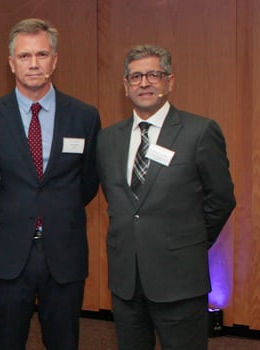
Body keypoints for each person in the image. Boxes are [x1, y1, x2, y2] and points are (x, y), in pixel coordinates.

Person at [97, 44, 236, 350]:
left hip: (180, 280)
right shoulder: (107, 139)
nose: (144, 83)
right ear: (125, 86)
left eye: (153, 75)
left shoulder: (199, 132)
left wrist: (189, 241)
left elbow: (222, 199)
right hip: (126, 282)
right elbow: (121, 201)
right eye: (135, 77)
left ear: (169, 82)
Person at [0, 19, 100, 350]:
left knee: (64, 341)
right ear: (11, 62)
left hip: (64, 252)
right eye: (24, 56)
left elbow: (88, 182)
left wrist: (55, 209)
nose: (33, 64)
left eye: (42, 54)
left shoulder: (84, 116)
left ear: (55, 60)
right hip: (7, 252)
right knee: (6, 341)